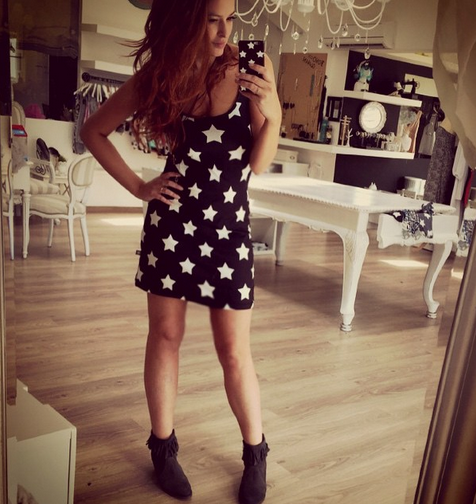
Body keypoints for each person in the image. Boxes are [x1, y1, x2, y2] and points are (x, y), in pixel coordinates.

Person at [80, 1, 281, 503]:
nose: (224, 31)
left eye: (230, 18)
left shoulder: (250, 65)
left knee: (234, 351)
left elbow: (259, 163)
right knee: (165, 336)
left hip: (228, 232)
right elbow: (93, 130)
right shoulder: (160, 75)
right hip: (172, 229)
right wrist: (139, 187)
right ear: (185, 18)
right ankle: (163, 448)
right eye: (212, 18)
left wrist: (274, 113)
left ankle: (255, 453)